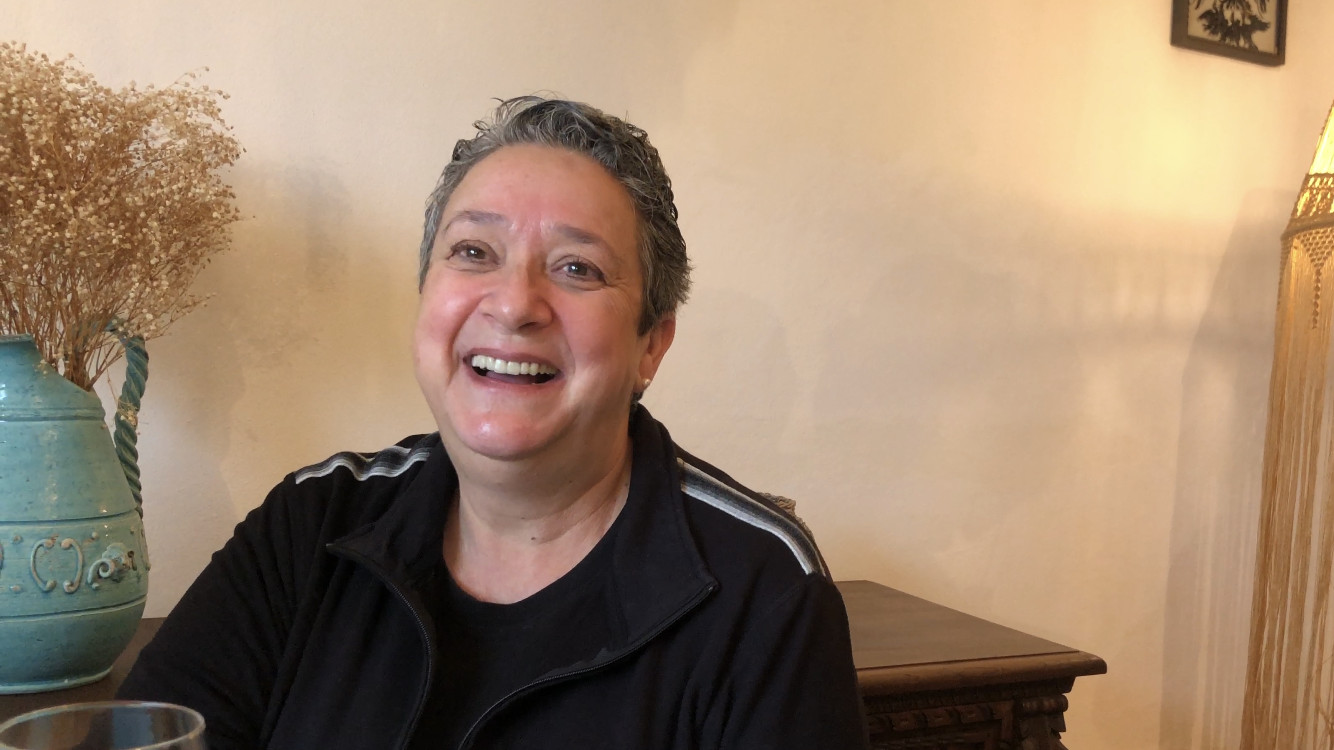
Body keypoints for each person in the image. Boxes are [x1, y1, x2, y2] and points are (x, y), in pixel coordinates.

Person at [119, 96, 869, 749]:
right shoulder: (309, 527)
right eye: (474, 252)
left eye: (577, 268)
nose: (514, 305)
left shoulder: (763, 593)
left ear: (651, 344)